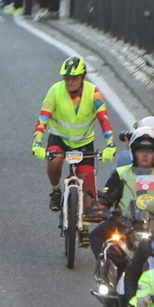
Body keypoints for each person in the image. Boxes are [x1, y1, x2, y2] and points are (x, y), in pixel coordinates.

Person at [89, 126, 154, 263]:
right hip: (125, 225)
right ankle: (109, 275)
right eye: (141, 150)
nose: (145, 155)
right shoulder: (122, 173)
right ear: (134, 152)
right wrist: (99, 205)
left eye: (149, 151)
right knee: (96, 235)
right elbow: (107, 194)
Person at [33, 56, 115, 211]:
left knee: (87, 183)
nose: (70, 82)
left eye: (74, 78)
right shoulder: (55, 90)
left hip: (83, 142)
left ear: (83, 77)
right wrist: (37, 144)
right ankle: (56, 191)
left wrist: (110, 145)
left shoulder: (94, 93)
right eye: (67, 78)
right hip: (59, 138)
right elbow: (43, 118)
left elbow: (104, 120)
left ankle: (83, 228)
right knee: (55, 161)